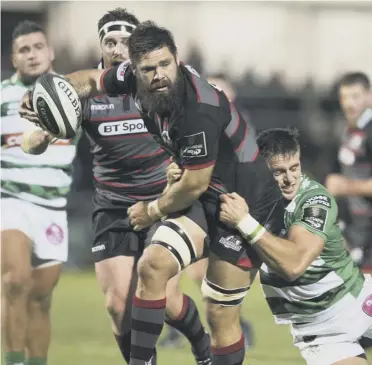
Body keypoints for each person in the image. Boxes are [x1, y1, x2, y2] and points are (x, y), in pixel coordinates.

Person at [19, 21, 284, 365]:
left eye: (165, 65)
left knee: (219, 313)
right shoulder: (130, 75)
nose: (158, 74)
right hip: (203, 197)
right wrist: (53, 91)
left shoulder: (197, 107)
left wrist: (153, 210)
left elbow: (194, 184)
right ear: (134, 69)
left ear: (177, 59)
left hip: (248, 203)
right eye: (148, 69)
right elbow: (89, 80)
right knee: (153, 266)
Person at [219, 127, 372, 365]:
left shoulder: (313, 200)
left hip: (360, 303)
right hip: (320, 334)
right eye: (278, 172)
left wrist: (244, 223)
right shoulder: (244, 199)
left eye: (294, 168)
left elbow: (294, 264)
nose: (290, 179)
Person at [1, 21, 77, 365]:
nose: (32, 55)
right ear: (14, 59)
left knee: (41, 298)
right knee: (15, 281)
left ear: (51, 52)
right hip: (11, 200)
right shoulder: (2, 96)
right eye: (23, 50)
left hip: (53, 206)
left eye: (37, 47)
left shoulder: (74, 94)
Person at [160, 73, 255, 350]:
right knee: (183, 272)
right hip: (196, 204)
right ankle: (185, 331)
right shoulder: (193, 120)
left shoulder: (238, 127)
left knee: (207, 278)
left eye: (220, 89)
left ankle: (237, 329)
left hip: (225, 206)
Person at [325, 72, 372, 267]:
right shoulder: (347, 131)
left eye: (355, 96)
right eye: (344, 97)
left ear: (369, 95)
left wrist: (346, 187)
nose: (349, 103)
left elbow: (343, 185)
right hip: (353, 229)